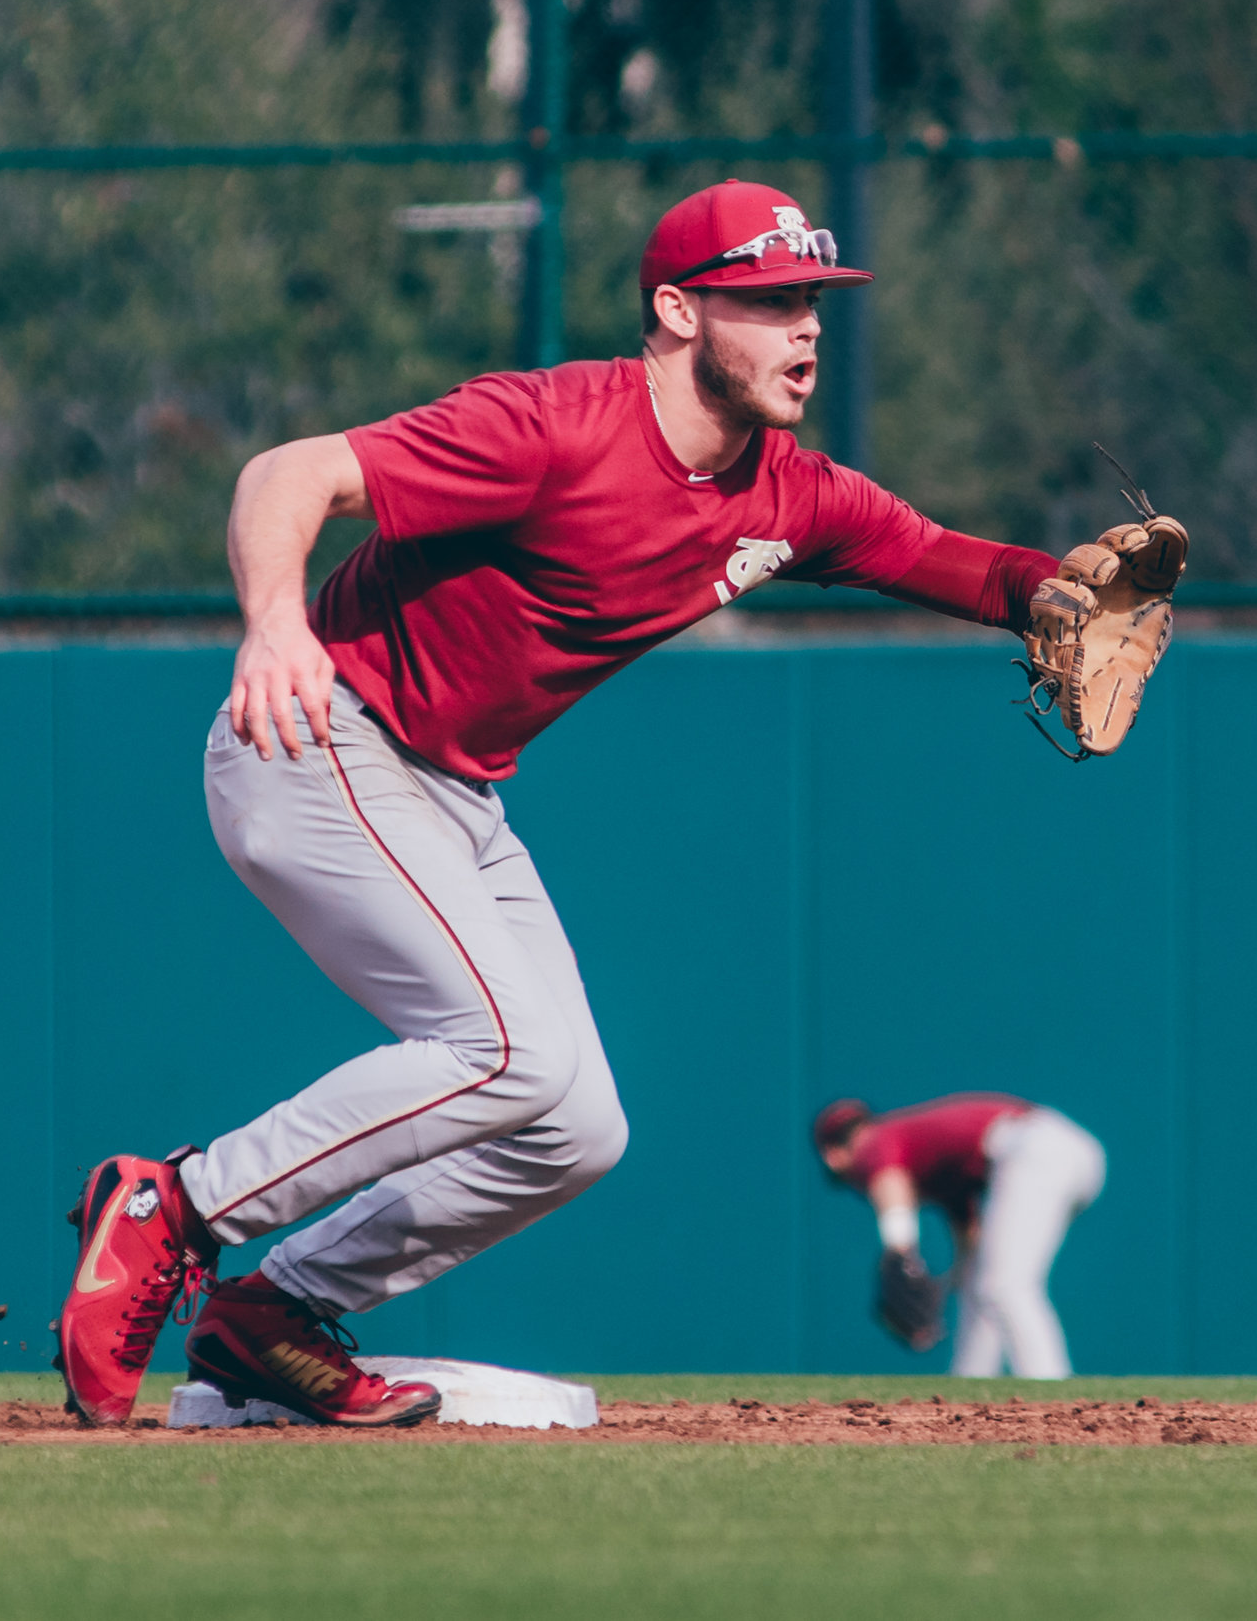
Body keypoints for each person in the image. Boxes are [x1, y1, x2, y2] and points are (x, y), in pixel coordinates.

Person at [54, 180, 1105, 1428]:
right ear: (677, 309)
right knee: (508, 1050)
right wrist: (274, 624)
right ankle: (173, 1205)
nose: (806, 330)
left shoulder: (791, 493)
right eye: (769, 302)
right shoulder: (550, 426)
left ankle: (272, 1313)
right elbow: (287, 473)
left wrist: (1063, 599)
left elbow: (950, 559)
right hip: (320, 733)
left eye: (811, 301)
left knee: (575, 1125)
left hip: (454, 790)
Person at [813, 1094, 1106, 1379]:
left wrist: (900, 1253)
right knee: (982, 1285)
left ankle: (1050, 1389)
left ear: (832, 1156)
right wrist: (946, 1286)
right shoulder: (936, 1169)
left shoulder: (872, 1139)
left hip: (1033, 1149)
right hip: (1065, 1151)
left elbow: (888, 1180)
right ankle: (969, 1385)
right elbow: (970, 1241)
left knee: (1006, 1287)